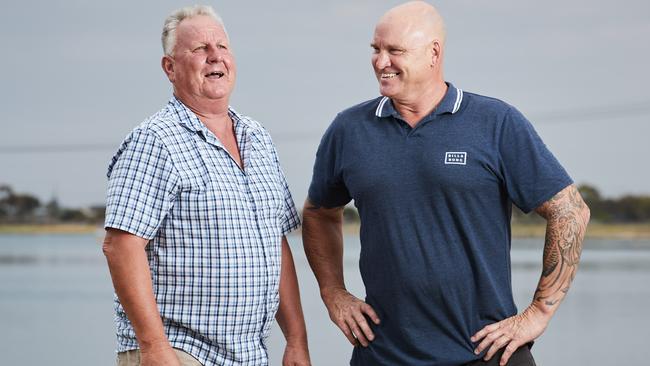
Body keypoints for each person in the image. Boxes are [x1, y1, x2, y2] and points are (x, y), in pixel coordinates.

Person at [302, 1, 590, 366]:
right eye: (376, 49)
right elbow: (319, 212)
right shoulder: (349, 129)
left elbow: (570, 211)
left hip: (487, 353)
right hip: (382, 354)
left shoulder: (495, 122)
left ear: (433, 53)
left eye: (395, 51)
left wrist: (538, 313)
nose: (380, 61)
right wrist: (333, 292)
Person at [102, 5, 310, 366]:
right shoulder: (154, 140)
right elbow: (121, 247)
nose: (215, 57)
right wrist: (154, 348)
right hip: (179, 352)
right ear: (170, 67)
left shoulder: (257, 138)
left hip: (247, 356)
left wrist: (296, 340)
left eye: (222, 47)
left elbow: (277, 246)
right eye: (199, 49)